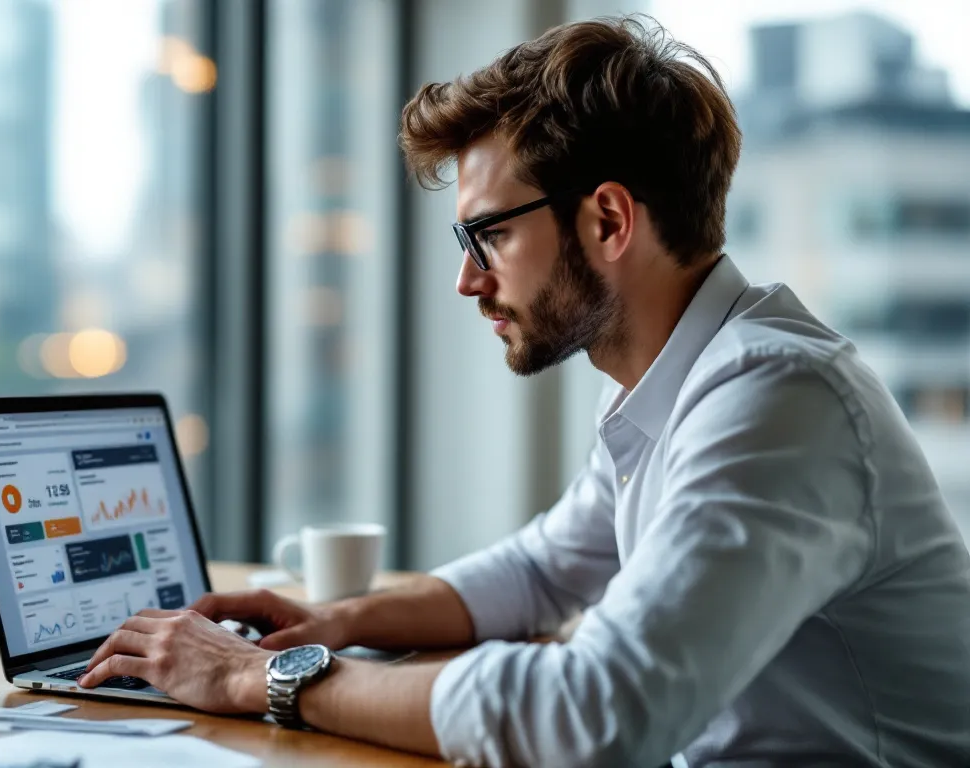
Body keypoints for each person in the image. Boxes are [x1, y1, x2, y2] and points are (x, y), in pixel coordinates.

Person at [77, 15, 970, 767]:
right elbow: (546, 568)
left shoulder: (775, 398)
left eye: (487, 238)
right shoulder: (678, 384)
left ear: (608, 220)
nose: (468, 283)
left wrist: (250, 678)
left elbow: (601, 713)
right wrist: (332, 619)